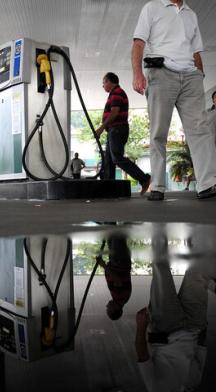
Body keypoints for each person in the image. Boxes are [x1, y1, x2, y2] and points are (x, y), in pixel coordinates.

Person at [132, 0, 216, 201]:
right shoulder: (152, 8)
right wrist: (137, 74)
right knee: (158, 132)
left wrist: (200, 75)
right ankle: (158, 186)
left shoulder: (191, 14)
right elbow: (138, 43)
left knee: (200, 129)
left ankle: (207, 184)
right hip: (161, 73)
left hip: (190, 77)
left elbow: (195, 51)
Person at [135, 227, 209, 391]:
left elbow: (142, 356)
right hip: (194, 325)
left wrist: (141, 327)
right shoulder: (193, 384)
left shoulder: (156, 388)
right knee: (200, 272)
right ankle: (197, 234)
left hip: (165, 327)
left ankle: (158, 225)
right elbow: (200, 349)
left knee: (160, 268)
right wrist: (202, 324)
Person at [95, 72, 151, 195]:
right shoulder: (114, 94)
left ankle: (144, 178)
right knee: (108, 160)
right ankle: (108, 189)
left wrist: (101, 127)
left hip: (117, 129)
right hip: (114, 130)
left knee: (117, 158)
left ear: (109, 82)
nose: (103, 85)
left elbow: (114, 113)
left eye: (103, 82)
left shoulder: (117, 93)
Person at [97, 234, 132, 321]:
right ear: (114, 309)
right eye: (108, 309)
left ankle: (110, 222)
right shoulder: (119, 297)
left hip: (118, 261)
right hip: (119, 261)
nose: (107, 306)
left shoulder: (120, 299)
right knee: (117, 234)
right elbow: (117, 279)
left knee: (112, 234)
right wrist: (103, 265)